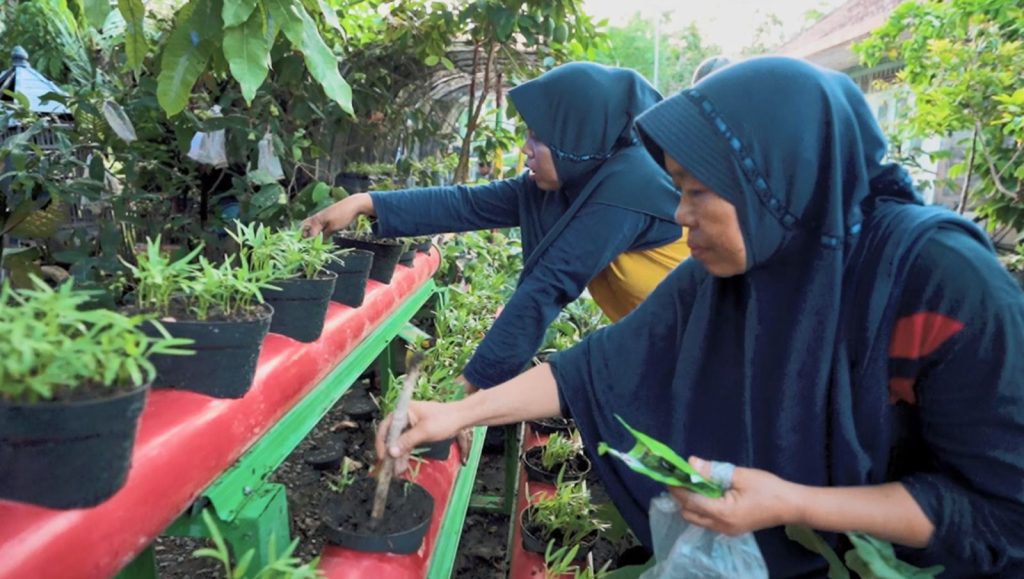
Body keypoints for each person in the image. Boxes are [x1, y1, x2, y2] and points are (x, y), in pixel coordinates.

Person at [375, 57, 1024, 577]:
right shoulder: (737, 271)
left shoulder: (940, 283)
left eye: (696, 190)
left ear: (771, 182)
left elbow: (999, 511)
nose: (678, 213)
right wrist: (456, 413)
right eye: (678, 187)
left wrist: (795, 501)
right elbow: (593, 370)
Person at [303, 62, 689, 395]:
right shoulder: (577, 176)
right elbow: (467, 204)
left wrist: (470, 387)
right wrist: (363, 203)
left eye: (539, 137)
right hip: (663, 339)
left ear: (576, 139)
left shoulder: (628, 185)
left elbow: (549, 284)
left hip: (704, 342)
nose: (525, 148)